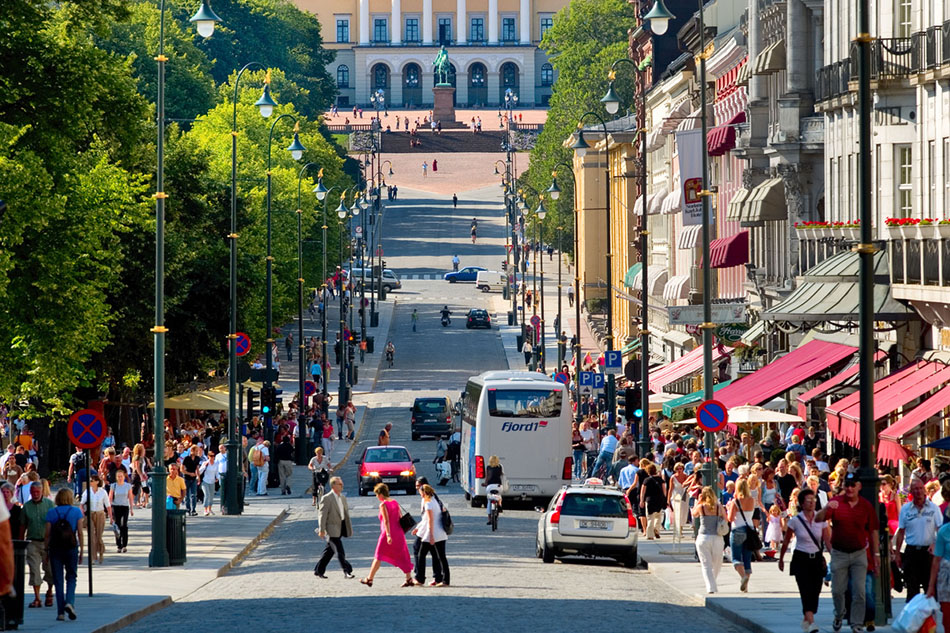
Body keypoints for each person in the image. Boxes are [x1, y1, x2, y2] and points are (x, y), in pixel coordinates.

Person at [815, 472, 880, 633]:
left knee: (860, 592)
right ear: (843, 486)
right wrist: (827, 507)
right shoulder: (836, 502)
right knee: (837, 590)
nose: (850, 488)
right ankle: (839, 614)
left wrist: (876, 554)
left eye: (853, 485)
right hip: (839, 553)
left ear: (859, 486)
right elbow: (818, 519)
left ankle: (856, 623)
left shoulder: (866, 506)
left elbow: (873, 531)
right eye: (847, 485)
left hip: (859, 553)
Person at [778, 488, 832, 633]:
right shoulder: (795, 521)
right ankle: (812, 622)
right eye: (808, 501)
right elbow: (786, 540)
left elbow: (827, 540)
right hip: (801, 558)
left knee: (816, 590)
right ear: (801, 503)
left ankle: (807, 618)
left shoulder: (821, 519)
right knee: (805, 590)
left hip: (816, 559)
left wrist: (834, 557)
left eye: (813, 501)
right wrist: (781, 558)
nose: (811, 503)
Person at [894, 478, 942, 600]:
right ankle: (913, 616)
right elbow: (901, 531)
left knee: (930, 588)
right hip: (911, 552)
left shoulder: (933, 508)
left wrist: (936, 544)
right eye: (915, 489)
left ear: (924, 490)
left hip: (928, 552)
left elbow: (940, 529)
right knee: (912, 588)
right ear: (911, 491)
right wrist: (898, 553)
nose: (918, 491)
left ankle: (930, 616)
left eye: (921, 488)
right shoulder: (905, 509)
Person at [360, 483, 414, 587]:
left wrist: (388, 535)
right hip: (399, 532)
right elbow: (400, 517)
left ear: (380, 494)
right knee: (403, 555)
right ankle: (409, 578)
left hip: (387, 533)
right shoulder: (394, 502)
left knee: (378, 555)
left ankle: (369, 579)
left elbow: (386, 521)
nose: (376, 497)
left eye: (377, 494)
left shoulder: (383, 505)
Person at [45, 488, 83, 622]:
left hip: (55, 548)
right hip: (71, 548)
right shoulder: (76, 511)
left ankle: (60, 612)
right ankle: (70, 602)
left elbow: (47, 535)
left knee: (58, 580)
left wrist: (46, 551)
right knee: (72, 577)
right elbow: (80, 532)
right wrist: (82, 550)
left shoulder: (51, 512)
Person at [22, 480, 54, 608]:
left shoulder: (49, 505)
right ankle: (37, 598)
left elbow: (55, 524)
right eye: (33, 492)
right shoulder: (27, 506)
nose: (35, 494)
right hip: (32, 542)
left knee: (50, 570)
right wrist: (21, 543)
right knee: (34, 570)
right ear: (30, 492)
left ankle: (50, 592)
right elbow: (22, 526)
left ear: (42, 491)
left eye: (38, 492)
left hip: (48, 543)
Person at [315, 477, 355, 579]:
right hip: (331, 529)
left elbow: (345, 514)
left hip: (341, 527)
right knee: (339, 551)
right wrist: (321, 529)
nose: (342, 486)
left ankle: (318, 570)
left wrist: (349, 527)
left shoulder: (342, 497)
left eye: (342, 484)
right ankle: (347, 571)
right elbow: (322, 515)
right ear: (333, 486)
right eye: (339, 484)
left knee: (329, 551)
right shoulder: (327, 498)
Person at [412, 483, 450, 586]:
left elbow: (429, 519)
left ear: (424, 493)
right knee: (441, 557)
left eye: (420, 492)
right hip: (440, 532)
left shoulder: (428, 503)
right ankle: (445, 580)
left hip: (431, 534)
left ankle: (420, 579)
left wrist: (431, 535)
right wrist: (418, 528)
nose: (420, 494)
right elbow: (426, 519)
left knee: (421, 555)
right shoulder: (435, 501)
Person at [726, 478, 759, 592]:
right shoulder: (752, 500)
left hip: (737, 529)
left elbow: (730, 518)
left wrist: (728, 507)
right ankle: (746, 586)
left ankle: (743, 577)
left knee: (736, 558)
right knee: (747, 558)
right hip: (749, 530)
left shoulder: (736, 501)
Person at [692, 486, 726, 593]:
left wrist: (699, 501)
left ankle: (711, 586)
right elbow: (725, 517)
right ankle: (712, 583)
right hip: (717, 537)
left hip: (703, 536)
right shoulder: (718, 507)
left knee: (706, 564)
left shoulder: (701, 507)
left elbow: (693, 514)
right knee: (717, 563)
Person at [80, 474, 111, 565]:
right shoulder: (87, 492)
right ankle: (93, 557)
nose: (90, 482)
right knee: (92, 537)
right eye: (90, 481)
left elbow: (108, 505)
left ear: (97, 482)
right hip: (91, 514)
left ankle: (101, 552)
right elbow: (82, 503)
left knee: (98, 536)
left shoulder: (103, 492)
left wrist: (111, 517)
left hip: (100, 514)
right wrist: (82, 513)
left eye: (92, 481)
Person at [927, 515, 950, 632]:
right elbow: (936, 560)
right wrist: (931, 587)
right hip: (946, 577)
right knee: (947, 615)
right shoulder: (944, 531)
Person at [639, 464, 667, 540]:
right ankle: (656, 529)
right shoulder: (661, 480)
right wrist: (664, 499)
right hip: (659, 500)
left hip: (650, 500)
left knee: (650, 517)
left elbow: (643, 491)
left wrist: (641, 500)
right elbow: (664, 491)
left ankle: (650, 535)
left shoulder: (646, 480)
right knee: (658, 516)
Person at [483, 455, 504, 523]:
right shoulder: (500, 467)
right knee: (499, 495)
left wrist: (485, 484)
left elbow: (487, 478)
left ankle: (489, 518)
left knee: (489, 500)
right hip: (498, 486)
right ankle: (499, 505)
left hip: (490, 486)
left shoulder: (488, 467)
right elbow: (502, 475)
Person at [180, 445, 201, 516]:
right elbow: (182, 469)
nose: (197, 452)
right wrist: (189, 473)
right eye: (196, 451)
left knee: (194, 494)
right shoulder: (186, 458)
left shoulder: (197, 458)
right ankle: (188, 509)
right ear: (192, 451)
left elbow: (197, 468)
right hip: (186, 478)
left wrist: (198, 476)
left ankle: (193, 509)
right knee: (187, 495)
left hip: (194, 478)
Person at [198, 451, 218, 516]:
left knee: (211, 496)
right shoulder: (205, 463)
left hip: (212, 481)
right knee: (207, 495)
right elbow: (200, 471)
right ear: (208, 456)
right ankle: (205, 509)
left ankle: (210, 509)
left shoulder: (216, 464)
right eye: (211, 456)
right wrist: (204, 466)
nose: (212, 457)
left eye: (213, 456)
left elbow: (217, 472)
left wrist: (217, 478)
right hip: (205, 481)